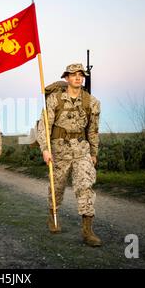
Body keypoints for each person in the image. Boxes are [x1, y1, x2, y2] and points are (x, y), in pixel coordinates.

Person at [37, 63, 102, 247]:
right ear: (66, 78)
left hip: (82, 150)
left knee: (85, 186)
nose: (78, 77)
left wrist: (94, 152)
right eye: (73, 75)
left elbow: (93, 131)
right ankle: (53, 216)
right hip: (59, 150)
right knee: (56, 187)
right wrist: (45, 149)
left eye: (81, 75)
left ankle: (87, 231)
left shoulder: (92, 102)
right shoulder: (54, 100)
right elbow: (45, 126)